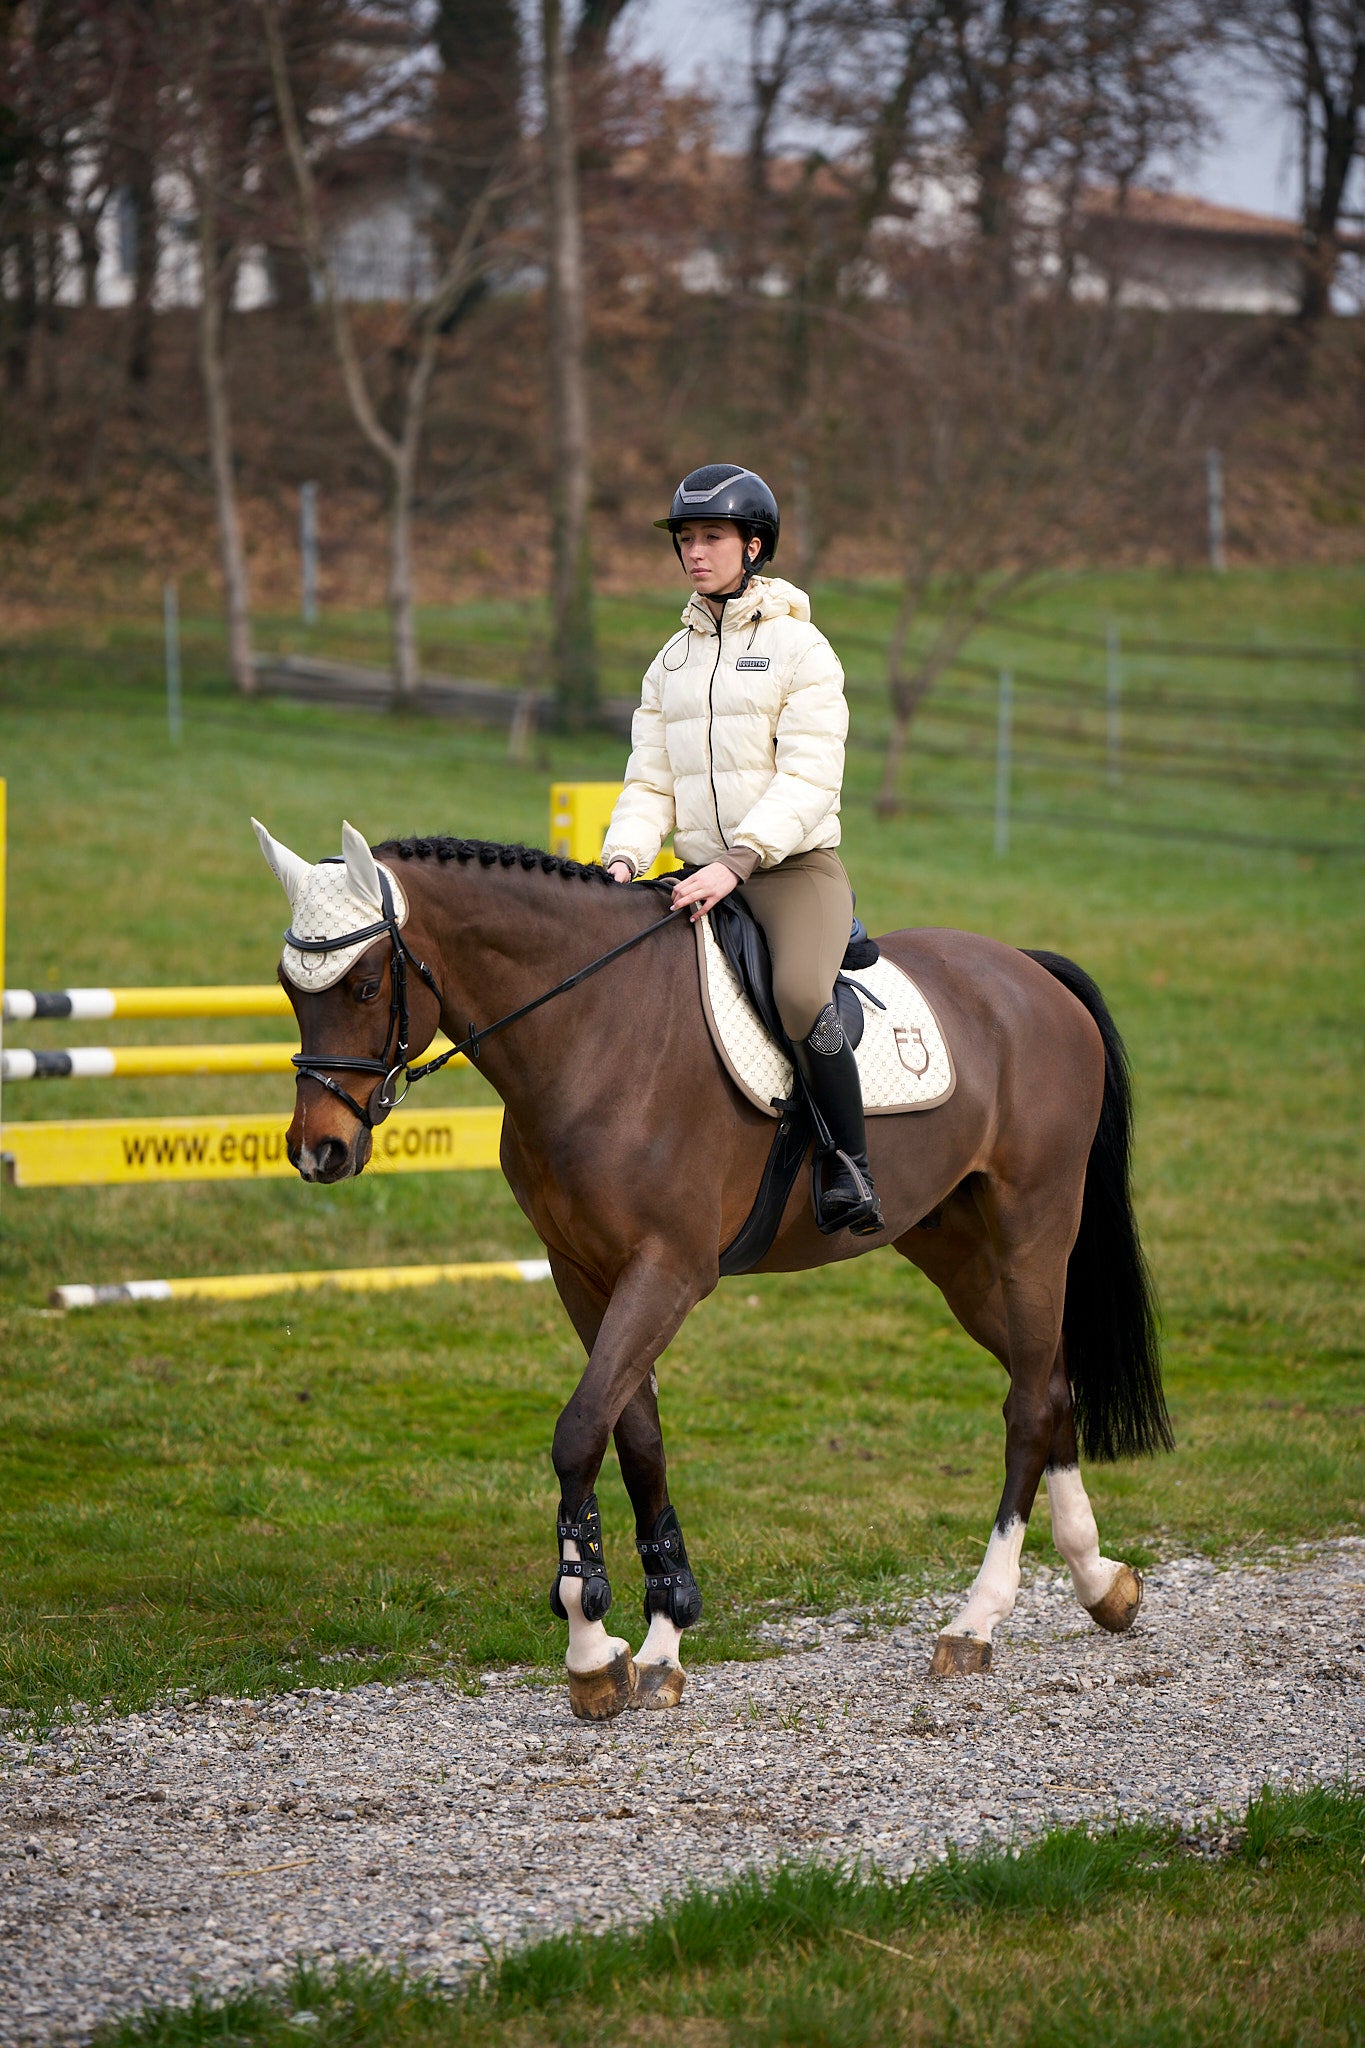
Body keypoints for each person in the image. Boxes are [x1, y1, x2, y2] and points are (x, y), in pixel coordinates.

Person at [601, 462, 884, 1237]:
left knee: (798, 993)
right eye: (686, 539)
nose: (696, 553)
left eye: (712, 538)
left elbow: (809, 776)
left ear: (753, 546)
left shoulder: (801, 649)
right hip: (697, 871)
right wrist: (621, 859)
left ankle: (848, 1167)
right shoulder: (671, 662)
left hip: (791, 871)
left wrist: (740, 860)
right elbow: (648, 780)